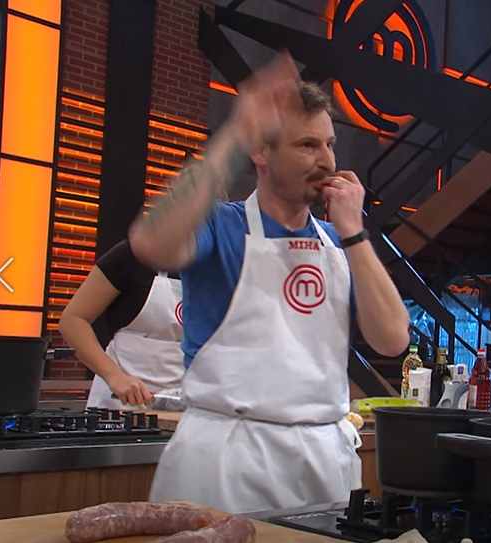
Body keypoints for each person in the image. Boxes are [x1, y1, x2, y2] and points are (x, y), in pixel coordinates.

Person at [128, 51, 411, 515]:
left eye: (330, 144)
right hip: (227, 459)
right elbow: (151, 243)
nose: (326, 160)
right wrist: (234, 135)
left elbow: (393, 338)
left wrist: (354, 230)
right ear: (261, 152)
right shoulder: (222, 225)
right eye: (307, 145)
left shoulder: (340, 243)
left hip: (324, 459)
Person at [58, 240, 184, 410]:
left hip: (183, 405)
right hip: (119, 402)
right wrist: (114, 376)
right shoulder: (133, 255)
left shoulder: (216, 268)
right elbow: (73, 320)